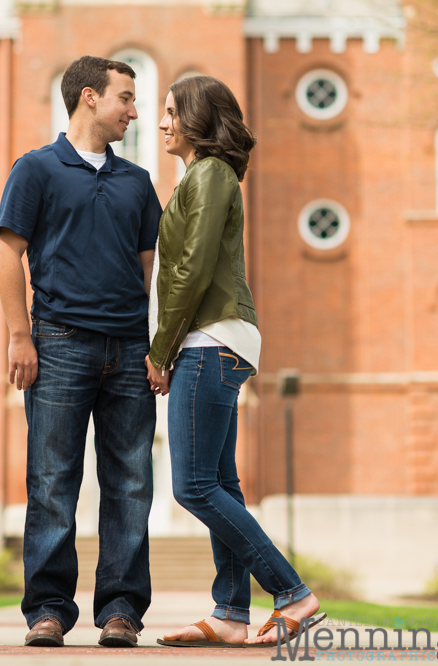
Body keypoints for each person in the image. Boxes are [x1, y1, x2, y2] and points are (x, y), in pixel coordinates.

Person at [145, 75, 324, 649]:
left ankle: (292, 592)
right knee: (220, 482)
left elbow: (192, 268)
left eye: (172, 112)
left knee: (192, 486)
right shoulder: (201, 177)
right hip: (212, 341)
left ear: (197, 117)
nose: (164, 122)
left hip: (207, 341)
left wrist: (160, 349)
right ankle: (230, 612)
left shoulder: (212, 174)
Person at [0, 56, 162, 649]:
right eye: (126, 98)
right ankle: (47, 609)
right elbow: (6, 253)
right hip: (59, 343)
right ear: (89, 97)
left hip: (129, 350)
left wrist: (155, 345)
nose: (134, 111)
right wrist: (20, 335)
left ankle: (120, 610)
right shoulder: (36, 170)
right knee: (51, 481)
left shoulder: (138, 182)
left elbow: (151, 272)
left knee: (130, 484)